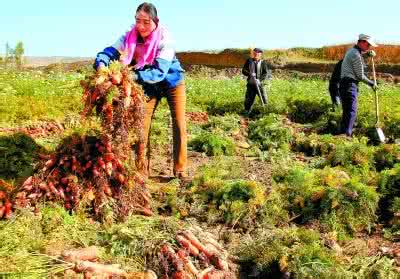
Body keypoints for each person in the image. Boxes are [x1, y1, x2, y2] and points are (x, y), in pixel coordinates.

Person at [94, 2, 187, 179]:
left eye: (146, 22)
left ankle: (180, 169)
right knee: (141, 125)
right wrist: (101, 64)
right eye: (138, 21)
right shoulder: (129, 37)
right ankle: (141, 171)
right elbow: (108, 52)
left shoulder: (165, 39)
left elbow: (159, 71)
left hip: (171, 81)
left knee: (179, 122)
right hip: (148, 85)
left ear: (155, 21)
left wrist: (129, 77)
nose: (141, 26)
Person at [339, 34, 377, 137]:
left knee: (347, 110)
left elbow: (359, 58)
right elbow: (360, 76)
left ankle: (343, 133)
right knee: (351, 110)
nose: (369, 47)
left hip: (345, 84)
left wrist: (367, 55)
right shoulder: (355, 54)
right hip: (349, 84)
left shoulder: (353, 51)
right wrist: (371, 83)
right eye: (368, 45)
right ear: (363, 42)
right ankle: (347, 135)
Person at [242, 48, 271, 114]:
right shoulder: (249, 61)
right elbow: (244, 71)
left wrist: (259, 80)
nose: (255, 55)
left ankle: (265, 112)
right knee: (248, 100)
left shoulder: (263, 62)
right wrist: (250, 73)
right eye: (254, 54)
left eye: (257, 54)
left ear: (260, 55)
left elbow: (265, 73)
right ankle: (247, 112)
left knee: (264, 98)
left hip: (260, 85)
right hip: (251, 84)